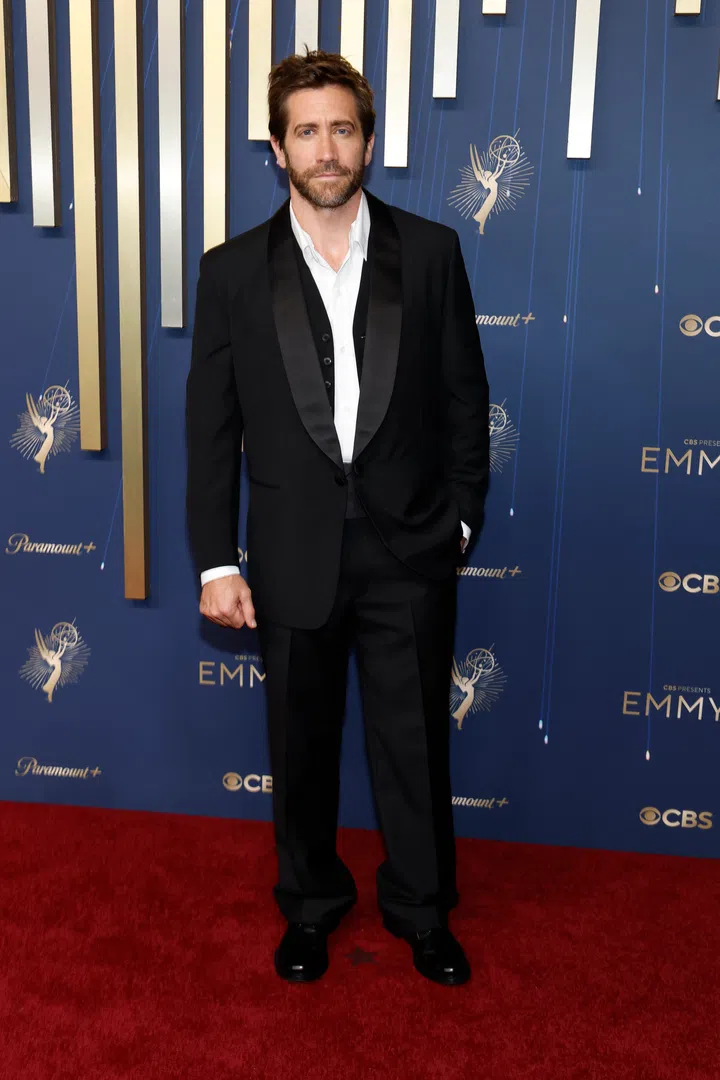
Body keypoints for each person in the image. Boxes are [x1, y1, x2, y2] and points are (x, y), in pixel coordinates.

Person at [186, 49, 490, 986]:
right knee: (301, 746)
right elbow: (211, 427)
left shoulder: (431, 250)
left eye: (343, 129)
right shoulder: (232, 270)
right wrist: (214, 562)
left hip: (409, 549)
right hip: (289, 553)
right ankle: (312, 908)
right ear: (277, 148)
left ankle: (421, 911)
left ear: (368, 140)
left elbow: (465, 403)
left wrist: (464, 524)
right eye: (307, 131)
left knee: (414, 744)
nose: (327, 149)